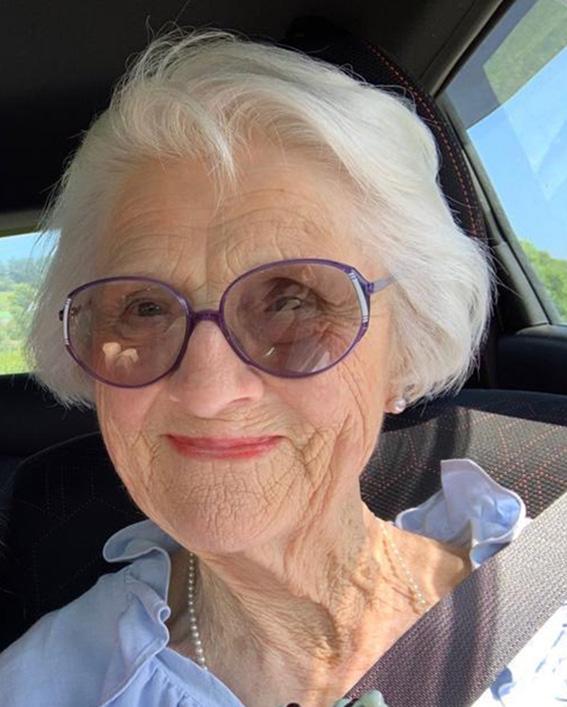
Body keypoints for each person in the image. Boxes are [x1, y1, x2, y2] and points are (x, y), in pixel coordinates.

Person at [2, 30, 561, 707]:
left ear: (405, 349)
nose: (207, 390)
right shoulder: (40, 684)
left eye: (293, 302)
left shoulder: (546, 607)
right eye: (144, 308)